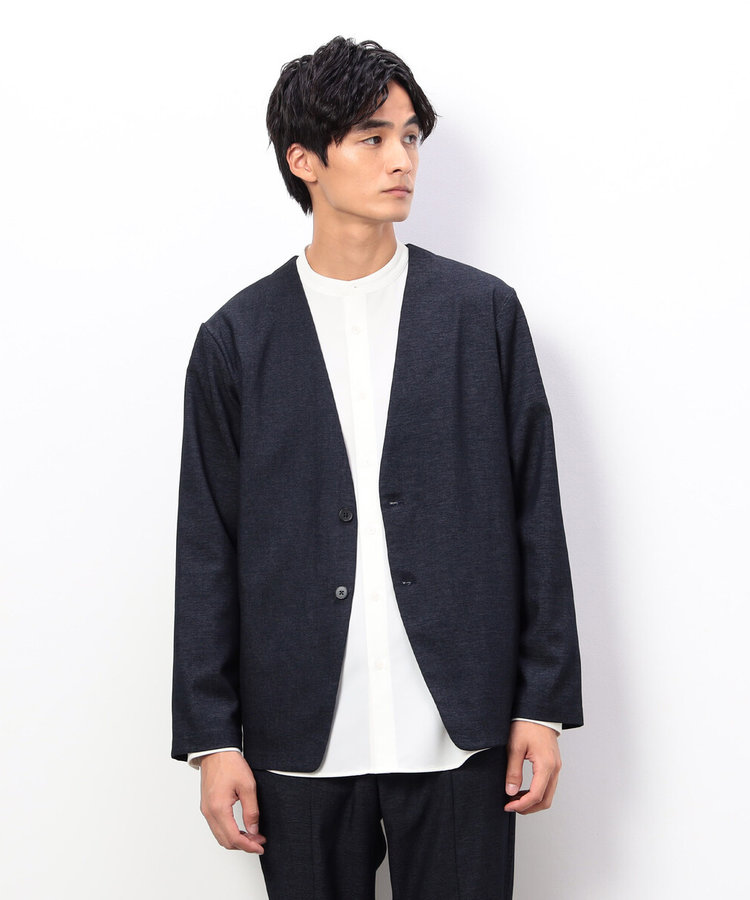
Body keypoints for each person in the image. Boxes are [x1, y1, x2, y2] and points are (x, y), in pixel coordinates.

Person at [172, 35, 583, 899]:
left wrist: (541, 704)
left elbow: (535, 516)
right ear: (304, 160)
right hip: (299, 735)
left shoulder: (482, 315)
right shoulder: (237, 340)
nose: (403, 159)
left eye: (411, 137)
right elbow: (207, 546)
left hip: (460, 728)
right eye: (373, 137)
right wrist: (213, 741)